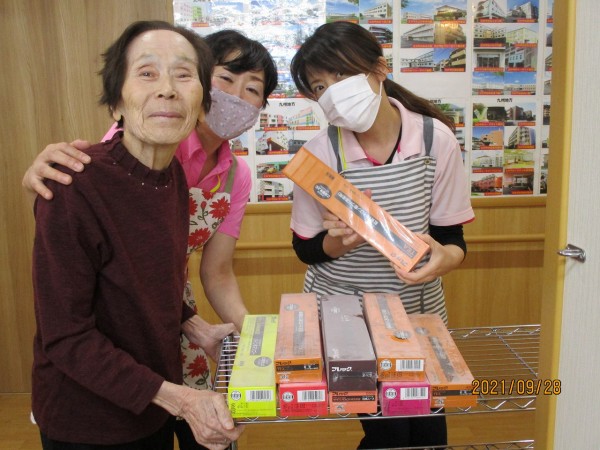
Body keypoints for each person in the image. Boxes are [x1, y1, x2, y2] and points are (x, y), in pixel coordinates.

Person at [23, 28, 277, 450]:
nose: (167, 90)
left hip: (149, 399)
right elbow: (66, 335)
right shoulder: (74, 185)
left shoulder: (172, 179)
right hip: (87, 416)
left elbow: (143, 278)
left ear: (199, 100)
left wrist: (195, 327)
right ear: (116, 101)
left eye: (182, 76)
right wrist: (182, 400)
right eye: (146, 73)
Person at [289, 22, 475, 449]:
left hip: (417, 312)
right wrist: (338, 242)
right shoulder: (318, 155)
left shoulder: (435, 139)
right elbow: (306, 249)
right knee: (389, 431)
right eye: (319, 87)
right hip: (345, 319)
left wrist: (445, 259)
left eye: (341, 76)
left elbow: (452, 240)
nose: (332, 92)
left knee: (428, 429)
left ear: (379, 69)